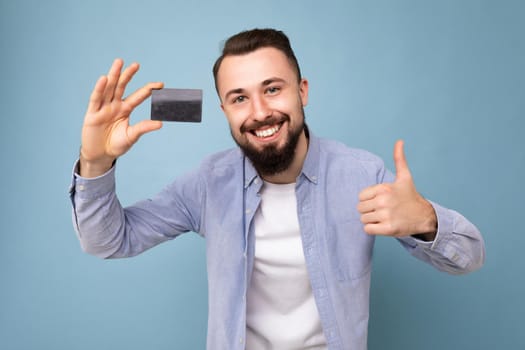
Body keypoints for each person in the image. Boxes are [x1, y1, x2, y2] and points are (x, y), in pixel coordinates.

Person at [69, 28, 485, 350]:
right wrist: (96, 162)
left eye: (272, 89)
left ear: (302, 90)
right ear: (225, 111)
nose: (260, 112)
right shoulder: (208, 182)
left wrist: (427, 221)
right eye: (239, 98)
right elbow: (108, 241)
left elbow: (468, 256)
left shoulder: (361, 174)